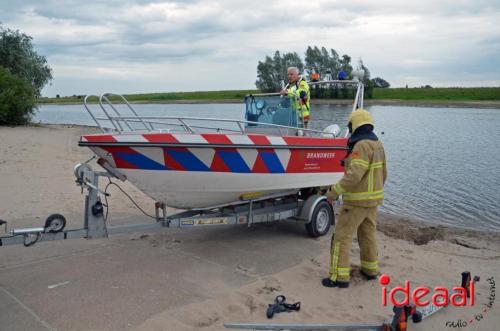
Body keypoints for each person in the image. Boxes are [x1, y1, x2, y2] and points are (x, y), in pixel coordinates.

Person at [322, 108, 387, 288]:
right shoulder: (378, 144)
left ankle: (338, 278)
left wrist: (333, 192)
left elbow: (353, 175)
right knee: (368, 235)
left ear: (354, 124)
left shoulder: (360, 146)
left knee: (342, 238)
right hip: (373, 201)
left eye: (350, 126)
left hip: (356, 202)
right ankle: (370, 270)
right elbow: (384, 173)